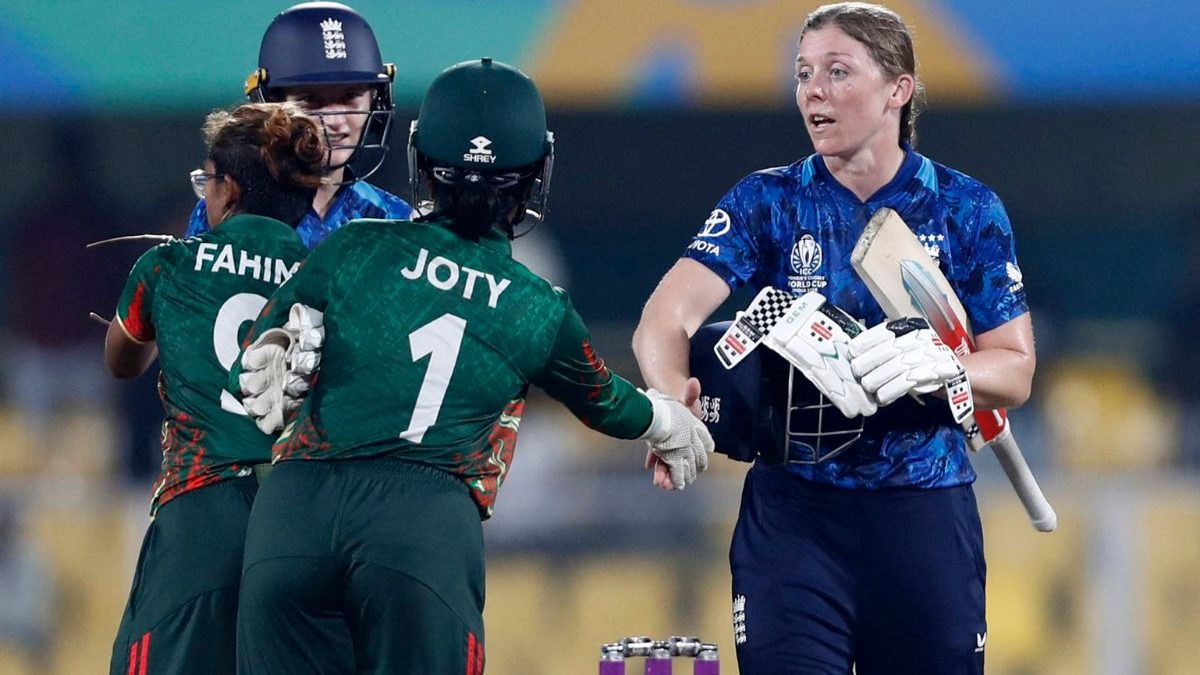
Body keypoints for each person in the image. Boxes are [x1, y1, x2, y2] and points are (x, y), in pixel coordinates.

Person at [229, 58, 712, 675]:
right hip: (421, 525)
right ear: (534, 174)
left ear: (423, 160)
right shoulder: (536, 305)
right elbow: (606, 402)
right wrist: (666, 422)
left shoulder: (353, 248)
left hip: (292, 514)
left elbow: (259, 349)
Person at [632, 3, 1036, 674]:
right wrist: (672, 404)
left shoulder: (966, 208)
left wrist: (940, 365)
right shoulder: (769, 201)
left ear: (897, 89)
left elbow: (1015, 370)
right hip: (793, 521)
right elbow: (664, 318)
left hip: (924, 516)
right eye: (803, 74)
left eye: (838, 71)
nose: (813, 91)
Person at [105, 103, 326, 675]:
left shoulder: (169, 265)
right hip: (300, 523)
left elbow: (121, 360)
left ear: (227, 189)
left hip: (201, 514)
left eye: (207, 181)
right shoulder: (329, 277)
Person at [184, 2, 412, 249]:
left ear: (376, 99)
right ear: (271, 104)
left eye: (349, 97)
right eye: (311, 100)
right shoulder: (231, 209)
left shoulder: (396, 221)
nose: (335, 122)